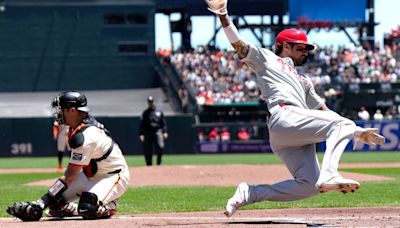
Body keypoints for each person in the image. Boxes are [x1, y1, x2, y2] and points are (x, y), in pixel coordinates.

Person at [204, 0, 386, 217]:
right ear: (284, 46)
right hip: (284, 116)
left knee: (309, 185)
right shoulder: (267, 58)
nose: (305, 53)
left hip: (292, 135)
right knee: (342, 125)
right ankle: (330, 174)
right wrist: (223, 16)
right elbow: (239, 45)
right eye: (300, 48)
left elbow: (325, 113)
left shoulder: (303, 79)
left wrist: (356, 131)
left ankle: (250, 193)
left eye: (306, 49)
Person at [7, 91, 130, 221]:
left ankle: (109, 204)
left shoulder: (86, 136)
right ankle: (79, 207)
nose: (58, 113)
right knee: (55, 204)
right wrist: (46, 202)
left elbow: (70, 176)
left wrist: (40, 202)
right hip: (89, 176)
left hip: (113, 176)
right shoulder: (77, 126)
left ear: (72, 111)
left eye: (62, 109)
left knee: (87, 208)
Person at [139, 96, 168, 166]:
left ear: (154, 102)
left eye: (151, 102)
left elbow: (163, 123)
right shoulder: (145, 113)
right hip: (148, 132)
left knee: (160, 146)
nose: (150, 103)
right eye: (149, 102)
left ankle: (159, 162)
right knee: (148, 149)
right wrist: (141, 134)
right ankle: (149, 165)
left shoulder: (159, 112)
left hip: (158, 131)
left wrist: (165, 132)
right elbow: (142, 125)